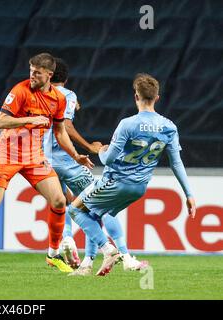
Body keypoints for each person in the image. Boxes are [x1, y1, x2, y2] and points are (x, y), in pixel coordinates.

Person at [0, 53, 94, 272]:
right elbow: (0, 121)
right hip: (7, 154)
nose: (32, 75)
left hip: (34, 156)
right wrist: (29, 119)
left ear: (49, 74)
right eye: (30, 70)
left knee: (58, 200)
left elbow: (60, 131)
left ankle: (53, 255)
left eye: (37, 72)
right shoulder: (20, 90)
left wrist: (76, 156)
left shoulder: (59, 99)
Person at [69, 73, 196, 276]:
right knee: (96, 213)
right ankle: (88, 264)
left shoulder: (128, 124)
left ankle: (110, 250)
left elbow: (108, 159)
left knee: (74, 211)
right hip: (139, 188)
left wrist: (100, 149)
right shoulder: (169, 126)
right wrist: (188, 194)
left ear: (136, 96)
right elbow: (176, 163)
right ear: (157, 98)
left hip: (115, 181)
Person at [44, 58, 148, 276]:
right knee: (99, 207)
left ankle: (70, 243)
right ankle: (121, 256)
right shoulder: (68, 95)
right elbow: (67, 126)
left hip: (45, 161)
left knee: (62, 203)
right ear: (66, 78)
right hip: (66, 161)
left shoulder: (38, 95)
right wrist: (89, 147)